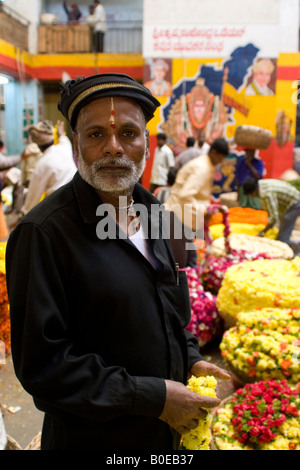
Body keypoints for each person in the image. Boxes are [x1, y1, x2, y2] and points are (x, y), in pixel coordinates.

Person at [5, 73, 230, 451]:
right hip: (95, 439)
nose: (114, 147)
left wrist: (189, 358)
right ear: (76, 147)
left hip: (165, 435)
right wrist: (153, 398)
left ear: (146, 144)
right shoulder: (42, 234)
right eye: (95, 135)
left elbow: (172, 312)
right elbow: (43, 367)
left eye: (128, 133)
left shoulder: (159, 214)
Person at [164, 138, 229, 268]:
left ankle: (192, 285)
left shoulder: (206, 164)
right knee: (181, 264)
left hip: (182, 217)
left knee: (191, 259)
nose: (221, 162)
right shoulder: (202, 168)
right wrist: (205, 211)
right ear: (214, 153)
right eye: (221, 158)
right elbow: (185, 194)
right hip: (176, 215)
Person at [20, 120, 77, 215]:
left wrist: (23, 215)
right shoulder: (64, 148)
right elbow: (63, 138)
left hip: (59, 208)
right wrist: (60, 132)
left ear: (38, 145)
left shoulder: (42, 165)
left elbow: (32, 197)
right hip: (76, 199)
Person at [242, 177, 300, 255]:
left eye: (251, 194)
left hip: (294, 203)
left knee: (283, 237)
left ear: (254, 190)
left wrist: (262, 232)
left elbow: (274, 217)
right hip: (289, 202)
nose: (252, 197)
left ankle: (291, 254)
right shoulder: (261, 185)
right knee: (283, 227)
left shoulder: (266, 194)